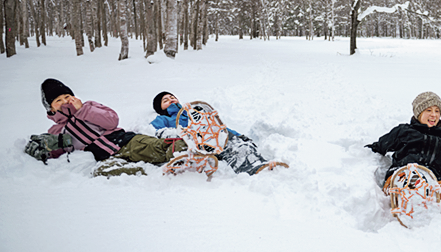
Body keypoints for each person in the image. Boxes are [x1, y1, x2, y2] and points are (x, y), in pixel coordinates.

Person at [25, 79, 186, 173]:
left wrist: (82, 110)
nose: (65, 101)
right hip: (105, 157)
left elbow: (112, 120)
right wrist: (43, 149)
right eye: (58, 100)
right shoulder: (57, 131)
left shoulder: (88, 106)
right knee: (102, 172)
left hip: (124, 142)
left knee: (155, 147)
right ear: (51, 108)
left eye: (67, 96)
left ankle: (188, 150)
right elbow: (58, 152)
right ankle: (150, 172)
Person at [150, 91, 280, 175]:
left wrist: (238, 135)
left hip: (214, 138)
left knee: (241, 145)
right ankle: (249, 169)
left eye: (172, 97)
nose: (171, 99)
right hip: (197, 143)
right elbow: (155, 132)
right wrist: (182, 133)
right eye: (165, 100)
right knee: (231, 151)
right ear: (160, 109)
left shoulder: (194, 112)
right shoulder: (164, 119)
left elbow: (217, 126)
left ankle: (260, 163)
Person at [365, 92, 441, 185]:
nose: (434, 115)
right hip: (401, 177)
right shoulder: (405, 131)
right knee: (414, 185)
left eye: (437, 111)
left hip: (432, 184)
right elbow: (379, 146)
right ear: (418, 113)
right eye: (428, 110)